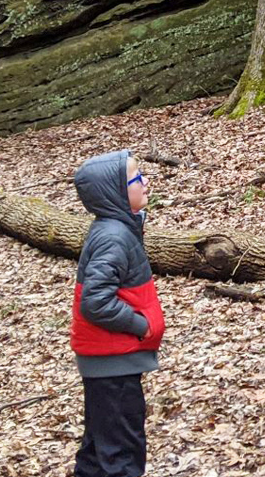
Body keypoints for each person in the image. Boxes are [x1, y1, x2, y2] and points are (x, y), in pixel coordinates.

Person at [70, 150, 163, 477]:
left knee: (97, 453)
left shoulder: (117, 228)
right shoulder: (114, 236)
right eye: (137, 178)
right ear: (116, 193)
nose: (146, 181)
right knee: (122, 455)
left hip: (108, 365)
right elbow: (95, 301)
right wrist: (141, 326)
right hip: (113, 365)